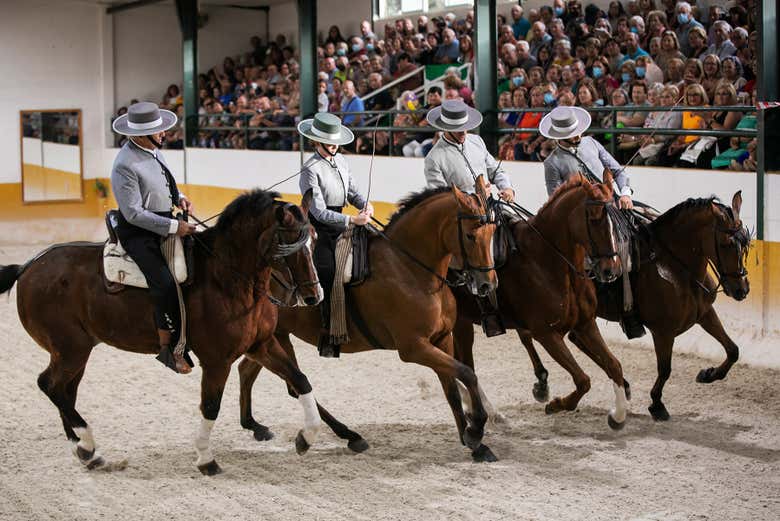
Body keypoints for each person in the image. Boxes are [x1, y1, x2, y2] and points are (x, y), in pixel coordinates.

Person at [540, 106, 644, 338]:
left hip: (615, 204)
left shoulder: (592, 144)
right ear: (559, 135)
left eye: (577, 130)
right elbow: (556, 199)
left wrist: (625, 192)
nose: (576, 135)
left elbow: (617, 171)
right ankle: (619, 310)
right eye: (570, 132)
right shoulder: (552, 162)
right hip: (588, 220)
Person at [111, 102, 197, 374]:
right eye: (157, 131)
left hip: (166, 220)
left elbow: (164, 183)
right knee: (163, 281)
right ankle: (168, 349)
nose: (164, 134)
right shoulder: (124, 165)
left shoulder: (153, 151)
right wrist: (174, 227)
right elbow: (134, 213)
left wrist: (180, 198)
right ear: (138, 135)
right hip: (139, 232)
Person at [423, 100, 515, 337]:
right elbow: (441, 196)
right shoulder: (435, 158)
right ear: (445, 128)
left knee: (520, 233)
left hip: (491, 206)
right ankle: (487, 310)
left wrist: (507, 187)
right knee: (479, 254)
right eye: (458, 128)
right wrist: (472, 198)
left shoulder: (477, 141)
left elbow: (496, 170)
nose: (463, 132)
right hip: (464, 216)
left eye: (465, 127)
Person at [297, 113, 374, 357]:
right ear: (316, 141)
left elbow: (352, 192)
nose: (333, 145)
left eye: (334, 141)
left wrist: (365, 204)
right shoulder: (310, 168)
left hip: (343, 219)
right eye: (327, 140)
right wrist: (352, 219)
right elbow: (318, 212)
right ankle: (329, 331)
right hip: (321, 228)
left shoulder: (341, 160)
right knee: (328, 271)